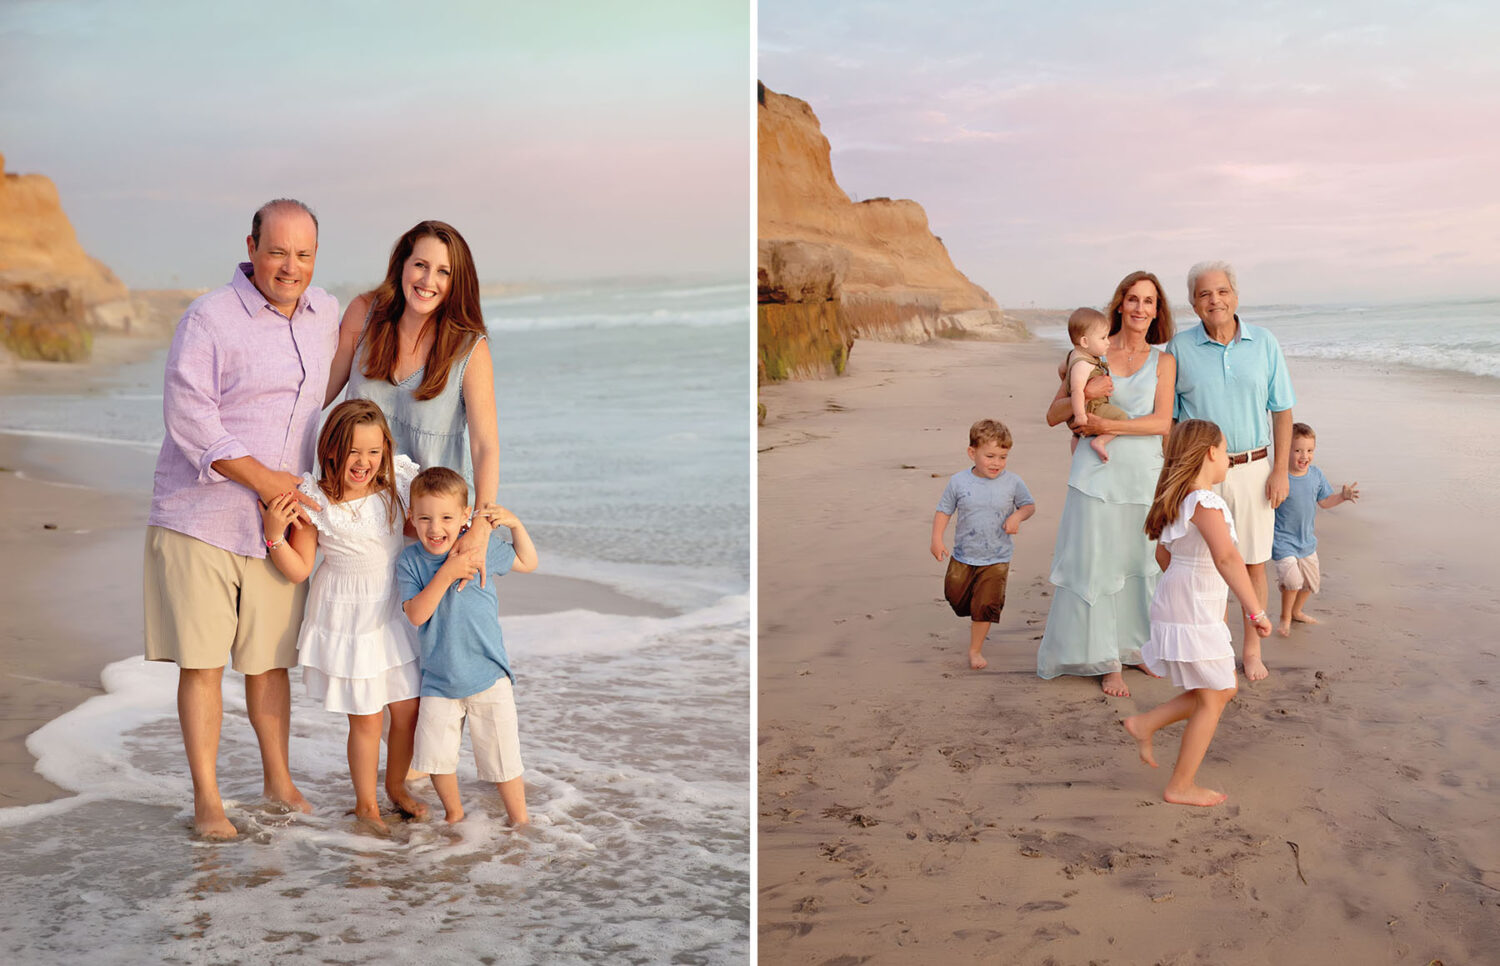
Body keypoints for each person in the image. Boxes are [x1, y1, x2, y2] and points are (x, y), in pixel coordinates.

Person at [143, 199, 336, 839]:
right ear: (251, 246)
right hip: (200, 518)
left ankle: (279, 782)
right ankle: (208, 801)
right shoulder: (209, 318)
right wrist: (266, 482)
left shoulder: (326, 314)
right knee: (201, 664)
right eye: (278, 251)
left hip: (280, 528)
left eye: (304, 254)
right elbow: (190, 418)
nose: (290, 266)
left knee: (269, 663)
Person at [259, 399, 426, 832]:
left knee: (408, 709)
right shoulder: (316, 500)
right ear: (332, 449)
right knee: (367, 717)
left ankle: (396, 787)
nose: (364, 462)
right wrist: (275, 537)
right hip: (348, 616)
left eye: (373, 452)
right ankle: (366, 804)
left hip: (390, 606)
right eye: (354, 451)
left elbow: (418, 528)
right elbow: (300, 570)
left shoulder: (396, 486)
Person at [327, 220, 501, 584]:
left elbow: (485, 445)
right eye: (420, 265)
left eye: (443, 272)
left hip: (431, 536)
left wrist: (482, 524)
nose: (428, 281)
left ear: (457, 283)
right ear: (402, 264)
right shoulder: (364, 315)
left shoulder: (469, 350)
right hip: (361, 522)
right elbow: (317, 395)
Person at [1038, 270, 1177, 697]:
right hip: (1095, 478)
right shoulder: (1090, 354)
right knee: (1099, 563)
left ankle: (1138, 649)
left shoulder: (1165, 361)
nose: (1140, 308)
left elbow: (1162, 422)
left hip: (1142, 476)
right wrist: (1088, 397)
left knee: (1139, 563)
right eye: (1133, 299)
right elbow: (1053, 415)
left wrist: (1101, 422)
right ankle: (1106, 659)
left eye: (1149, 301)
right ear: (1120, 304)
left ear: (1157, 311)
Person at [1123, 420, 1272, 807]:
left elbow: (1163, 556)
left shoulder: (1179, 499)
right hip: (1192, 603)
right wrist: (1255, 611)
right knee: (1217, 693)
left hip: (1183, 598)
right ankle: (1180, 785)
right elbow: (1226, 557)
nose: (1228, 459)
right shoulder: (1206, 501)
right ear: (1209, 453)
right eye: (1225, 451)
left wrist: (1207, 599)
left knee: (1220, 689)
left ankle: (1146, 724)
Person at [1166, 261, 1295, 681]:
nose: (1214, 300)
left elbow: (1282, 411)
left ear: (1235, 296)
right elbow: (1167, 419)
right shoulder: (1178, 350)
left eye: (1221, 292)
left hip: (1255, 470)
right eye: (1204, 294)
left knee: (1254, 563)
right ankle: (1215, 646)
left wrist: (1280, 470)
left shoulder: (1265, 342)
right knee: (1209, 563)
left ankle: (1252, 650)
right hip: (1201, 477)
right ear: (1192, 303)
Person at [397, 467, 538, 825]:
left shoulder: (482, 548)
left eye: (446, 518)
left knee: (502, 757)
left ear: (465, 517)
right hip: (439, 680)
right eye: (425, 518)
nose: (435, 528)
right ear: (410, 517)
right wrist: (447, 572)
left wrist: (515, 525)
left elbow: (528, 562)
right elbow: (416, 614)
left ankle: (519, 820)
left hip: (488, 675)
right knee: (436, 758)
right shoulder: (410, 561)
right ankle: (454, 816)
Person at [930, 419, 1036, 670]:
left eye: (1003, 457)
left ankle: (975, 649)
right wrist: (936, 539)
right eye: (990, 456)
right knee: (954, 596)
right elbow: (944, 510)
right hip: (964, 555)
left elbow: (1029, 506)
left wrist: (1017, 516)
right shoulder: (958, 482)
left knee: (985, 605)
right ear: (972, 453)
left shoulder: (1013, 482)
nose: (996, 463)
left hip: (997, 557)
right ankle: (971, 608)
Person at [1271, 422, 1359, 636]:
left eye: (1309, 451)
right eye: (1298, 450)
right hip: (1283, 540)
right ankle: (1285, 618)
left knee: (1311, 584)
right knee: (1292, 581)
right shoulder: (1279, 475)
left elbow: (1325, 502)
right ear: (1285, 450)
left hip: (1306, 541)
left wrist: (1342, 497)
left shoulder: (1316, 475)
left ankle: (1297, 611)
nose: (1304, 456)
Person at [1059, 307, 1129, 462]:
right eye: (1103, 338)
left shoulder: (1072, 356)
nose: (1108, 342)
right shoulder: (1083, 364)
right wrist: (1080, 415)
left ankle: (1076, 455)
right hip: (1091, 408)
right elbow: (1077, 391)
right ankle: (1100, 441)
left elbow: (1061, 369)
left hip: (1080, 411)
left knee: (1076, 435)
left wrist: (1065, 379)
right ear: (1085, 341)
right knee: (1122, 418)